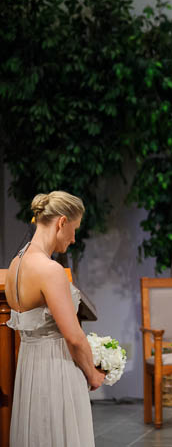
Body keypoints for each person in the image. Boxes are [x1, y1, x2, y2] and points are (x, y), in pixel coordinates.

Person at [6, 191, 106, 447]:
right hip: (55, 370)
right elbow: (73, 336)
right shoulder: (50, 270)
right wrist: (93, 374)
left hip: (30, 370)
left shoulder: (15, 265)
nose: (73, 239)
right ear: (62, 222)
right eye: (74, 229)